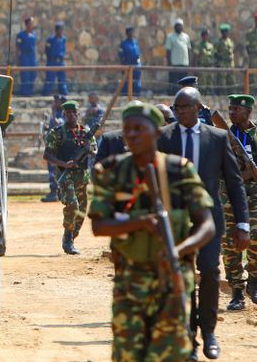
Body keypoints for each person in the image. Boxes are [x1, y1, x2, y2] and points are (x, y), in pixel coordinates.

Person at [89, 100, 216, 362]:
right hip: (130, 282)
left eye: (139, 129)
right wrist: (142, 222)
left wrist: (179, 250)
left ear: (158, 133)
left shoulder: (179, 171)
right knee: (128, 355)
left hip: (172, 280)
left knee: (170, 354)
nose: (132, 136)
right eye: (127, 130)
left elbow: (207, 225)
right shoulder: (111, 172)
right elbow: (99, 226)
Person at [157, 87, 250, 361]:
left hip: (209, 220)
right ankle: (189, 338)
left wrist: (242, 222)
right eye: (176, 108)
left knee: (209, 272)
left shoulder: (218, 138)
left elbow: (234, 183)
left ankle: (208, 332)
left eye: (184, 107)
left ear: (198, 108)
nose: (179, 112)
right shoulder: (164, 138)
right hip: (176, 222)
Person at [219, 94, 257, 310]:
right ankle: (236, 291)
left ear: (248, 112)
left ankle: (253, 281)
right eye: (230, 109)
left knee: (255, 238)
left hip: (255, 196)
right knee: (230, 244)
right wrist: (242, 173)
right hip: (229, 197)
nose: (232, 113)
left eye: (236, 110)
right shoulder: (223, 135)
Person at [43, 100, 96, 254]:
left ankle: (72, 235)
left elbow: (94, 151)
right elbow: (47, 155)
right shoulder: (57, 133)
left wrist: (88, 149)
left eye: (74, 112)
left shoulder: (86, 133)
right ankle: (67, 239)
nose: (71, 115)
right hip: (66, 176)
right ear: (64, 114)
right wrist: (64, 164)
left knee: (82, 210)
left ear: (78, 114)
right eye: (68, 113)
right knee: (73, 205)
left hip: (82, 176)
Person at [41, 94, 66, 202]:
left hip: (58, 147)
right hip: (51, 146)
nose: (55, 103)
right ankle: (55, 192)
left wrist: (54, 112)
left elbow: (58, 124)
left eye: (57, 101)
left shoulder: (65, 114)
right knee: (53, 171)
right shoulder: (56, 114)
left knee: (56, 171)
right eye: (55, 101)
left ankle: (56, 193)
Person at [165, 18, 191, 93]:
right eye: (177, 25)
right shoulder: (170, 37)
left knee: (184, 82)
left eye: (180, 26)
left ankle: (184, 94)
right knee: (174, 82)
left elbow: (189, 49)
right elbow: (168, 51)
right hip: (174, 64)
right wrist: (169, 63)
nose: (179, 27)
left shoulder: (186, 37)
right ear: (175, 26)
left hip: (184, 63)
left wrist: (189, 61)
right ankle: (172, 94)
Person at [42, 22, 67, 96]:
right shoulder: (50, 39)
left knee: (62, 78)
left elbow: (63, 49)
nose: (62, 31)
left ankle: (63, 93)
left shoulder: (63, 39)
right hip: (52, 61)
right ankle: (46, 93)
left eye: (62, 30)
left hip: (61, 62)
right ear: (57, 30)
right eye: (60, 30)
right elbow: (47, 50)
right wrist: (51, 58)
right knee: (50, 79)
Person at [16, 17, 38, 96]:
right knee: (25, 75)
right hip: (24, 57)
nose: (32, 25)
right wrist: (17, 60)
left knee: (33, 74)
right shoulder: (20, 35)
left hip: (32, 57)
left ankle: (31, 92)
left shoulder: (34, 34)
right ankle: (25, 93)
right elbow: (17, 48)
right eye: (31, 23)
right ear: (27, 24)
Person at [118, 26, 141, 96]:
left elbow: (138, 53)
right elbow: (121, 55)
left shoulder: (135, 42)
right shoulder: (123, 44)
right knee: (127, 82)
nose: (132, 34)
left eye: (132, 32)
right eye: (130, 32)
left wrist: (139, 62)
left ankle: (136, 95)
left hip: (136, 66)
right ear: (127, 33)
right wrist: (122, 66)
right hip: (127, 65)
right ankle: (125, 96)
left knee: (136, 82)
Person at [214, 23, 235, 93]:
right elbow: (215, 54)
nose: (226, 33)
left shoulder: (230, 41)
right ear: (222, 33)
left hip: (230, 65)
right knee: (223, 83)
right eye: (224, 32)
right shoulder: (218, 42)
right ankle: (223, 96)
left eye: (227, 31)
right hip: (222, 64)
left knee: (231, 82)